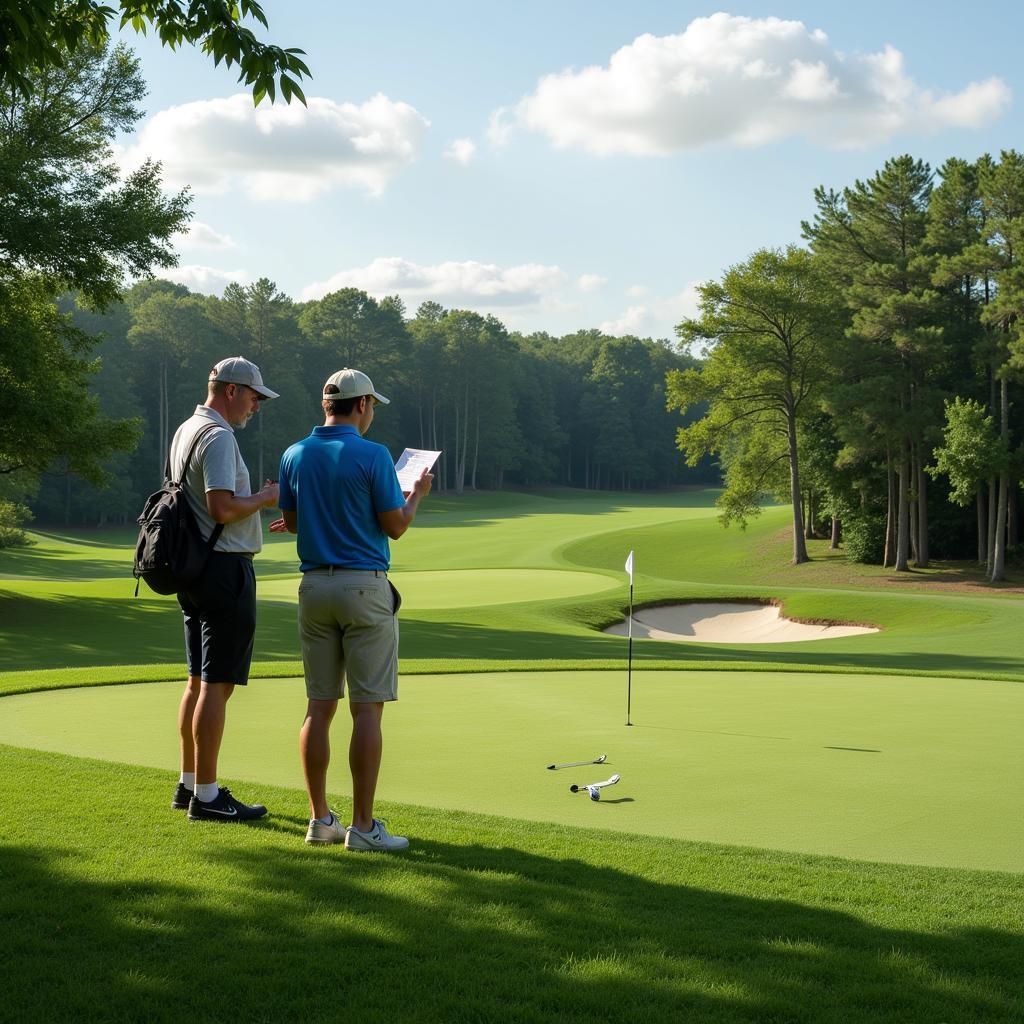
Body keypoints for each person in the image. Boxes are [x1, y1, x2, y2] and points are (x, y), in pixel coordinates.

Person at [273, 368, 432, 850]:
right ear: (361, 405)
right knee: (367, 711)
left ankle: (320, 820)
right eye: (373, 407)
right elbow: (396, 526)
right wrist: (416, 496)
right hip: (364, 587)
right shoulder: (373, 454)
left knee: (319, 707)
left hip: (313, 586)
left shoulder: (293, 454)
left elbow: (296, 523)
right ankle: (363, 828)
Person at [169, 356, 280, 822]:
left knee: (197, 680)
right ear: (231, 390)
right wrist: (267, 497)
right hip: (223, 569)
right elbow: (221, 507)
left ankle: (189, 783)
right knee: (218, 684)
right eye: (254, 397)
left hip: (194, 571)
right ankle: (208, 797)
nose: (256, 406)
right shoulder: (217, 437)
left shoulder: (186, 428)